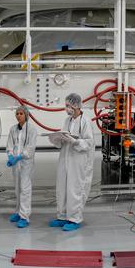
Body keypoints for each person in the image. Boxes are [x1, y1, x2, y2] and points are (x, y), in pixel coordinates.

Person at [51, 93, 96, 232]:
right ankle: (62, 216)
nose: (66, 109)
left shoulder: (85, 121)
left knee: (74, 189)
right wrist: (58, 138)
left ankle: (74, 218)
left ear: (75, 106)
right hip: (65, 158)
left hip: (79, 161)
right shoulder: (68, 120)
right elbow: (64, 135)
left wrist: (75, 141)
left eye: (67, 106)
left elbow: (89, 143)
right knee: (62, 187)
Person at [5, 106, 39, 229]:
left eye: (21, 113)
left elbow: (30, 148)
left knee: (25, 189)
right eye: (17, 113)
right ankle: (18, 212)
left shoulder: (32, 129)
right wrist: (10, 156)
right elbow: (9, 145)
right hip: (15, 164)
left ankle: (24, 216)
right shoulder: (13, 129)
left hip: (26, 164)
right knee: (17, 189)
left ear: (26, 115)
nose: (19, 115)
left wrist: (19, 157)